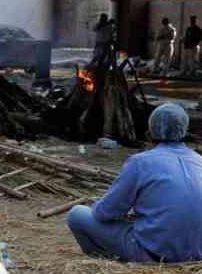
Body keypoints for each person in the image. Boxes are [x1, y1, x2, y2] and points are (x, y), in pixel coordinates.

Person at [67, 103, 202, 263]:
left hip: (154, 256)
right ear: (184, 130)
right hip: (195, 257)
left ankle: (103, 262)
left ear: (151, 131)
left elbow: (104, 213)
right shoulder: (199, 160)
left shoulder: (140, 162)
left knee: (76, 214)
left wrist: (108, 208)